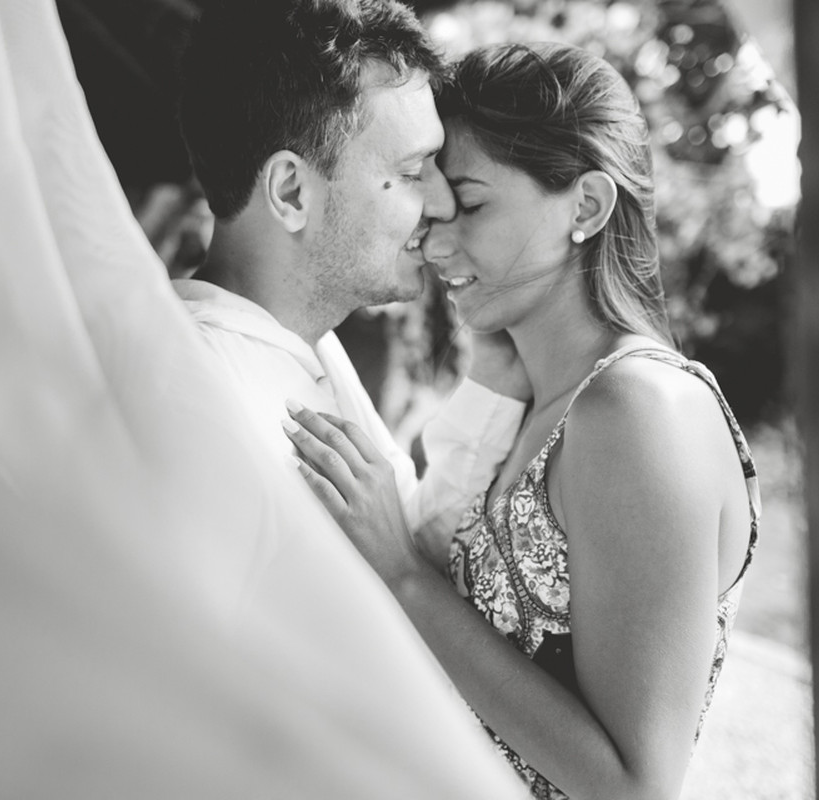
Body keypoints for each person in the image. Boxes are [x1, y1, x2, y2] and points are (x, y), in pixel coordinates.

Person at [285, 42, 762, 800]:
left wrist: (405, 575)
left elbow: (636, 785)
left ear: (588, 206)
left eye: (470, 206)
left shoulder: (636, 409)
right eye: (431, 210)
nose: (435, 241)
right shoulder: (529, 395)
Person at [174, 0, 529, 539]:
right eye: (412, 172)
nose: (443, 203)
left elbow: (405, 533)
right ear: (292, 191)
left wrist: (497, 368)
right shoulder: (200, 405)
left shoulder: (304, 342)